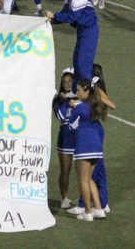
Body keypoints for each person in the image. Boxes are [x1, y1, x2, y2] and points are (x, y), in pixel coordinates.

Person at [45, 0, 98, 93]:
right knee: (77, 63)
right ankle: (78, 92)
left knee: (82, 64)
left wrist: (54, 16)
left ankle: (88, 96)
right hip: (83, 30)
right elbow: (65, 14)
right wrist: (52, 20)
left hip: (89, 30)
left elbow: (74, 16)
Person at [66, 78, 109, 221]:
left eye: (78, 90)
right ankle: (98, 209)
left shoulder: (80, 108)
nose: (76, 93)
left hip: (84, 146)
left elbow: (71, 126)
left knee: (83, 179)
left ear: (86, 91)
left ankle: (87, 212)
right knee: (89, 179)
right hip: (96, 146)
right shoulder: (97, 106)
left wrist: (73, 108)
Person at [52, 68, 76, 209]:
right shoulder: (57, 100)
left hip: (79, 137)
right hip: (66, 138)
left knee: (82, 170)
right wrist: (65, 101)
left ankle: (84, 197)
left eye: (70, 81)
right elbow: (61, 116)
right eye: (65, 82)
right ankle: (65, 198)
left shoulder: (80, 96)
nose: (67, 84)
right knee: (65, 169)